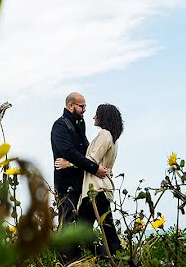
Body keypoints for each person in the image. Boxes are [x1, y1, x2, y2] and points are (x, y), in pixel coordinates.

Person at [56, 103, 124, 260]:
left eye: (97, 114)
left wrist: (69, 163)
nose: (93, 117)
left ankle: (106, 259)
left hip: (96, 191)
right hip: (103, 190)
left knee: (81, 231)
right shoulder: (112, 138)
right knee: (109, 234)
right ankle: (119, 260)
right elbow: (102, 165)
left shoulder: (104, 135)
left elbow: (90, 160)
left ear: (104, 117)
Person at [50, 92, 108, 228]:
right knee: (67, 223)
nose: (85, 110)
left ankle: (91, 249)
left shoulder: (79, 123)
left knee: (83, 225)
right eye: (82, 106)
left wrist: (97, 166)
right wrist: (94, 168)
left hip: (82, 182)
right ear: (71, 106)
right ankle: (66, 250)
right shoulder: (60, 126)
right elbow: (69, 152)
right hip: (67, 185)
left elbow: (85, 151)